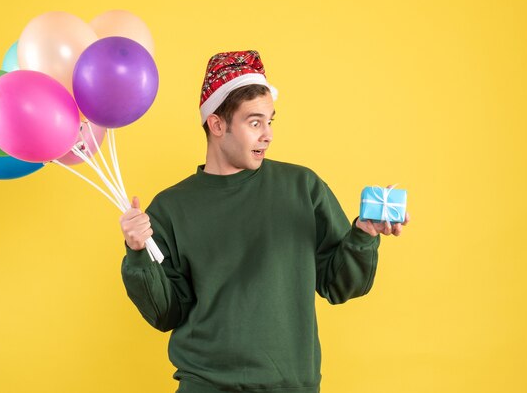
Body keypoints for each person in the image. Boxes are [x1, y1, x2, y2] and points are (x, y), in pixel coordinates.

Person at [119, 50, 409, 393]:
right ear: (217, 124)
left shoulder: (303, 187)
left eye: (270, 121)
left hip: (290, 386)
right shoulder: (170, 208)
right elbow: (166, 313)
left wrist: (363, 234)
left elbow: (339, 284)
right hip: (206, 384)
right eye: (255, 122)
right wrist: (137, 253)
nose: (267, 134)